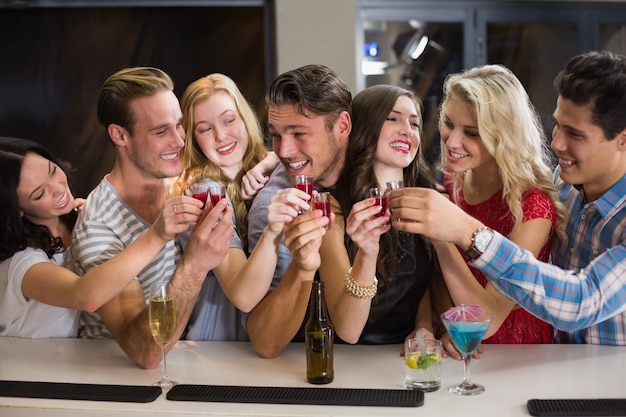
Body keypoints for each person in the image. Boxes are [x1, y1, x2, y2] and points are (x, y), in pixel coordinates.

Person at [387, 50, 626, 346]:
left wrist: (460, 232)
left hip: (609, 372)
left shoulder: (537, 200)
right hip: (555, 363)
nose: (556, 143)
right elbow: (437, 276)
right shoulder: (563, 185)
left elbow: (580, 302)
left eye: (575, 134)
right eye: (557, 125)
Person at [70, 67, 234, 369]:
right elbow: (146, 352)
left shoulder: (180, 184)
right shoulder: (98, 223)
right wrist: (195, 267)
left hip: (185, 364)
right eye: (161, 131)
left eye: (180, 125)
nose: (180, 141)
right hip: (116, 384)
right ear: (120, 135)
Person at [430, 64, 568, 348]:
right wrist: (449, 326)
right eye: (448, 123)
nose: (452, 141)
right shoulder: (450, 181)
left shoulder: (533, 207)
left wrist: (441, 237)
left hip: (514, 353)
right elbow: (437, 276)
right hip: (453, 341)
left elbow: (488, 319)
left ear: (503, 136)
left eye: (471, 132)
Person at [0, 137, 182, 338]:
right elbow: (85, 296)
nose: (58, 188)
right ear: (17, 210)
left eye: (52, 171)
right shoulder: (21, 262)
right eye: (40, 193)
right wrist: (156, 235)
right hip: (29, 365)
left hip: (79, 359)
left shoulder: (81, 218)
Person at [321, 84, 440, 345]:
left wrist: (422, 326)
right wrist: (367, 252)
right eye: (392, 119)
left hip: (404, 358)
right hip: (349, 362)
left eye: (415, 123)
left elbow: (419, 279)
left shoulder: (428, 197)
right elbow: (348, 330)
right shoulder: (334, 211)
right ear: (365, 127)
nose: (407, 131)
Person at [246, 64, 350, 358]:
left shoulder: (373, 170)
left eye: (299, 133)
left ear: (342, 127)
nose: (284, 151)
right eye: (275, 136)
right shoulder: (272, 206)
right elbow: (264, 340)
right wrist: (303, 267)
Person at [173, 73, 281, 340]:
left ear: (244, 116)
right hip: (220, 343)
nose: (221, 136)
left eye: (229, 120)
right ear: (192, 137)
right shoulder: (202, 192)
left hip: (273, 333)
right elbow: (243, 297)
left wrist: (269, 162)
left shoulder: (270, 167)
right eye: (205, 128)